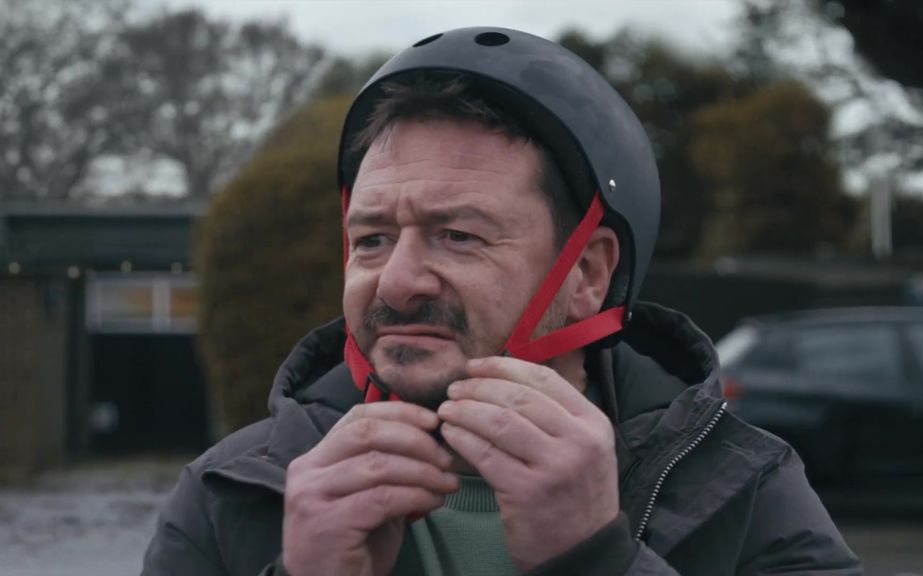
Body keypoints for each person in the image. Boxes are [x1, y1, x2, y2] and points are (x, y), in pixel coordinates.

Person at [143, 27, 860, 576]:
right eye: (371, 239)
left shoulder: (740, 487)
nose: (396, 281)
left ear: (587, 271)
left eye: (456, 235)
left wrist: (596, 561)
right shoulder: (232, 494)